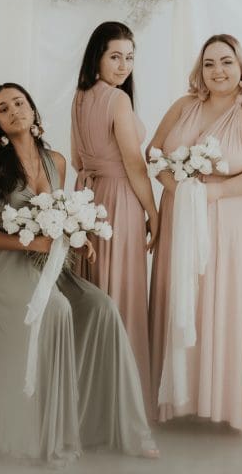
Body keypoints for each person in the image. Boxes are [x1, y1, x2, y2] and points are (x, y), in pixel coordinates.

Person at [0, 82, 159, 466]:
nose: (14, 111)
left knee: (101, 307)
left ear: (33, 110)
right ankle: (51, 435)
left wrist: (77, 237)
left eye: (19, 102)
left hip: (45, 263)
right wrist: (30, 244)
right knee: (56, 310)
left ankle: (115, 428)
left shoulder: (57, 161)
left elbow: (56, 218)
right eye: (3, 109)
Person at [147, 34, 242, 430]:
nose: (217, 70)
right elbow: (154, 154)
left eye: (226, 62)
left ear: (241, 67)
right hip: (184, 215)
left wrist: (214, 192)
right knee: (188, 302)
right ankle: (182, 398)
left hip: (238, 224)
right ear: (199, 69)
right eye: (209, 63)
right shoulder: (184, 105)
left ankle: (229, 402)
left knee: (225, 303)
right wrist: (181, 191)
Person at [70, 21, 159, 415]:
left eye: (130, 58)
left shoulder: (80, 97)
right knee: (121, 287)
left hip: (88, 199)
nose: (124, 66)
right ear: (98, 57)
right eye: (115, 57)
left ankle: (92, 394)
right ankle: (124, 398)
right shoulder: (118, 100)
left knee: (95, 286)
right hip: (121, 198)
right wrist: (153, 211)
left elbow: (77, 158)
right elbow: (135, 165)